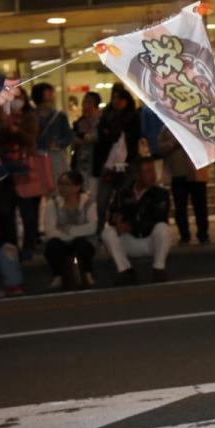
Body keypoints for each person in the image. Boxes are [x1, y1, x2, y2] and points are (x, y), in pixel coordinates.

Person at [100, 156, 172, 285]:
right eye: (148, 172)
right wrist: (116, 221)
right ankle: (125, 270)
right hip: (129, 239)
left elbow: (158, 219)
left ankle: (159, 268)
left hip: (150, 240)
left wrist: (131, 226)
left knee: (163, 228)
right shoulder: (123, 193)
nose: (153, 175)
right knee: (107, 232)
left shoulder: (161, 194)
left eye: (153, 171)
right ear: (137, 175)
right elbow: (112, 214)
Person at [0, 86, 39, 259]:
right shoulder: (0, 116)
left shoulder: (29, 117)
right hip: (5, 170)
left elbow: (30, 139)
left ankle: (29, 246)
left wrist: (15, 130)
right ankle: (11, 245)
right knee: (6, 210)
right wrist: (4, 124)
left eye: (18, 97)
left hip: (25, 168)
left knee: (28, 212)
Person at [93, 84, 141, 234]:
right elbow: (103, 138)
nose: (117, 101)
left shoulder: (133, 117)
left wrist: (111, 133)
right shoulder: (106, 116)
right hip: (108, 164)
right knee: (102, 201)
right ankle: (101, 230)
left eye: (120, 99)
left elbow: (133, 138)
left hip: (128, 163)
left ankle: (125, 229)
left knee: (124, 198)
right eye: (114, 98)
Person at [43, 170, 97, 290]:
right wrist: (75, 232)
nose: (62, 188)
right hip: (61, 242)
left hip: (81, 241)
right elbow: (50, 231)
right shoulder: (53, 204)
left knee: (82, 244)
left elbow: (92, 227)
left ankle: (87, 273)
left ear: (77, 187)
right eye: (60, 184)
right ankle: (57, 276)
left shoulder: (88, 203)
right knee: (53, 245)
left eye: (66, 184)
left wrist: (68, 229)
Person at [159, 124, 209, 245]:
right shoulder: (167, 127)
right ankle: (184, 235)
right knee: (180, 207)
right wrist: (174, 143)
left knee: (200, 206)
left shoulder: (196, 123)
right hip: (177, 172)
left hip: (196, 171)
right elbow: (161, 147)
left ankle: (203, 234)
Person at [33, 82, 73, 193]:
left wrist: (58, 144)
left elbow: (69, 137)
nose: (52, 95)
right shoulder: (31, 117)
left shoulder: (60, 116)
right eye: (49, 92)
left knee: (58, 188)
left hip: (56, 157)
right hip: (38, 157)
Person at [72, 91, 102, 204]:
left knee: (94, 197)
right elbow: (74, 138)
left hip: (96, 164)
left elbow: (98, 138)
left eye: (88, 102)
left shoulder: (102, 121)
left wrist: (85, 138)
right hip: (81, 164)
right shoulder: (79, 122)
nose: (85, 105)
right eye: (84, 101)